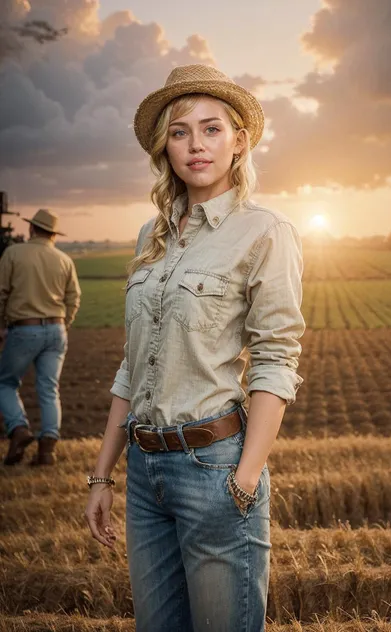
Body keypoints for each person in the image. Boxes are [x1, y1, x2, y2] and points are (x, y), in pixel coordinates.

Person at [85, 64, 305, 632]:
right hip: (144, 470)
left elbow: (276, 357)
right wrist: (103, 475)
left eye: (211, 129)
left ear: (239, 141)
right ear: (165, 148)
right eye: (179, 131)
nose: (196, 144)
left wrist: (247, 477)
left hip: (215, 470)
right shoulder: (149, 236)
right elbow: (133, 365)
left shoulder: (264, 232)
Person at [0, 209, 81, 466]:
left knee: (5, 383)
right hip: (57, 330)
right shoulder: (64, 259)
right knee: (49, 388)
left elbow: (1, 292)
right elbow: (73, 298)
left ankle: (19, 429)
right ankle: (47, 449)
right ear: (54, 235)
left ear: (31, 229)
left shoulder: (13, 253)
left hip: (24, 328)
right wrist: (64, 324)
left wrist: (1, 325)